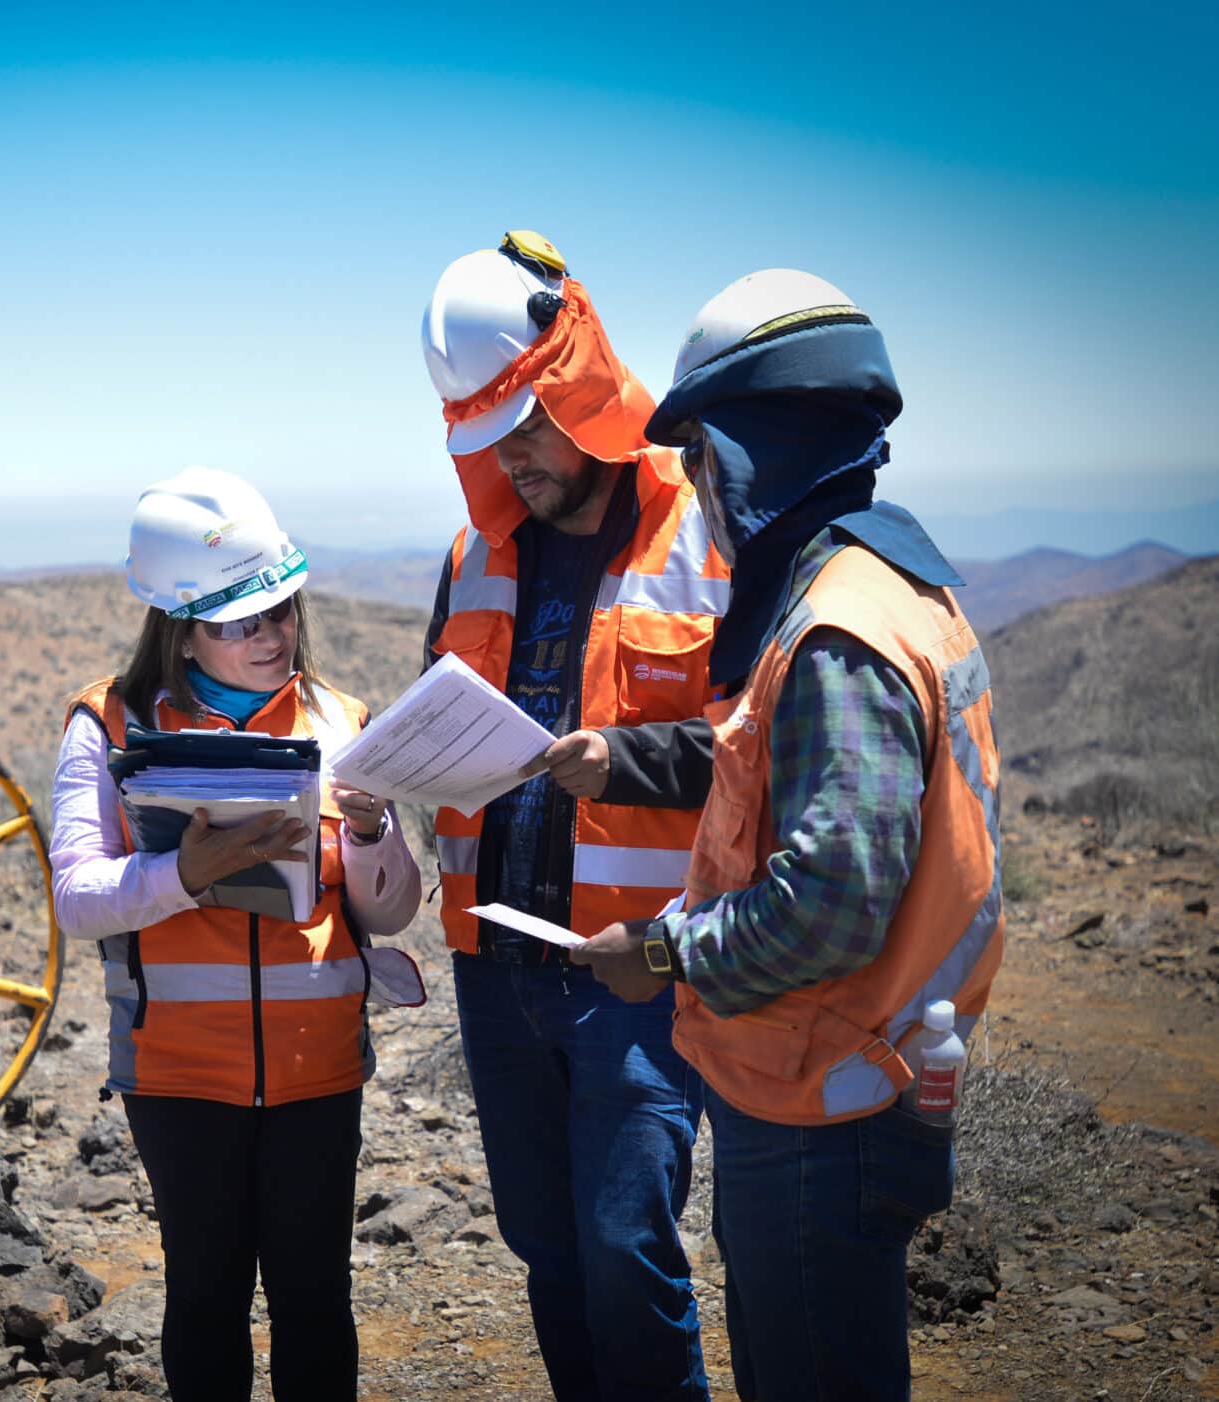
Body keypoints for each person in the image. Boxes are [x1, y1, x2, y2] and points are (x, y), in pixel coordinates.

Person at [574, 270, 1002, 1399]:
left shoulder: (836, 630)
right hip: (867, 1065)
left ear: (758, 442)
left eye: (705, 455)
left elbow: (830, 902)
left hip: (827, 1095)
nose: (698, 487)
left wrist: (660, 950)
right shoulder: (898, 581)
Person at [418, 232, 728, 1400]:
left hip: (636, 967)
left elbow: (760, 746)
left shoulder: (702, 530)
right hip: (497, 965)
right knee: (547, 1248)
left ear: (581, 387)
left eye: (527, 427)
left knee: (624, 1247)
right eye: (485, 436)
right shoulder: (474, 548)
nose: (511, 458)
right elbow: (442, 712)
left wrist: (629, 761)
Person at [51, 466, 423, 1401]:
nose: (271, 636)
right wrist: (187, 874)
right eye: (238, 621)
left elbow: (389, 911)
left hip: (319, 1068)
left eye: (281, 611)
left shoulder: (343, 722)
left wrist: (374, 831)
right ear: (179, 629)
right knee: (205, 1300)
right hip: (179, 1074)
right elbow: (76, 895)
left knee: (315, 1302)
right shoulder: (108, 724)